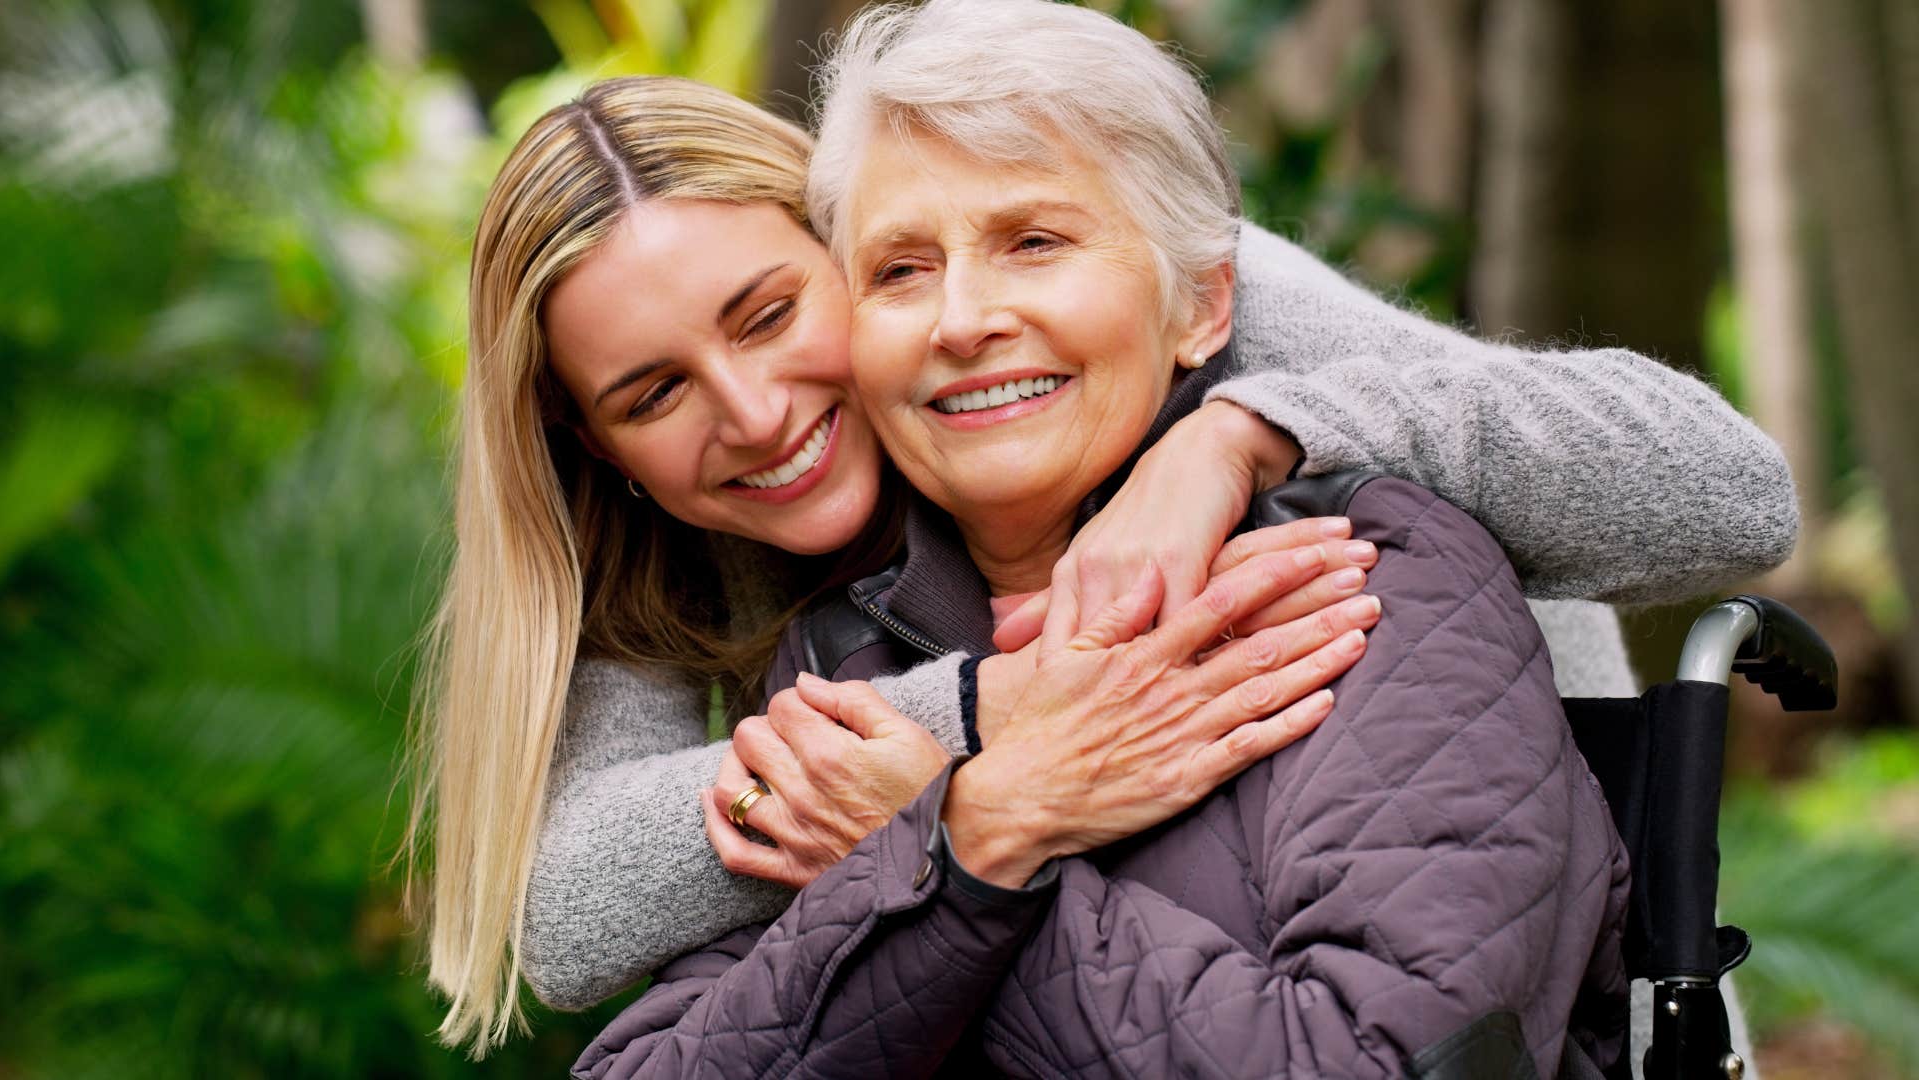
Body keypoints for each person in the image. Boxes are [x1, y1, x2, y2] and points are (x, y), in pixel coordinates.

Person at [411, 5, 1797, 1064]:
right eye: (653, 392)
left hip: (1476, 800)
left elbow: (1728, 491)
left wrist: (1241, 430)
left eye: (771, 313)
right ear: (599, 445)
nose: (756, 410)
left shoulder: (1225, 344)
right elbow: (581, 913)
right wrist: (981, 756)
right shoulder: (801, 622)